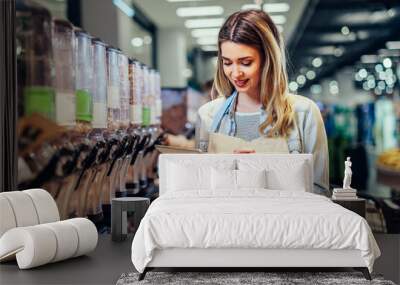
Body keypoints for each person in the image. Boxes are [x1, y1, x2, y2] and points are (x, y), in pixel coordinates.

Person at [195, 10, 329, 196]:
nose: (235, 73)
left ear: (268, 59)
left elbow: (318, 192)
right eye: (227, 63)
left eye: (246, 62)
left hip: (287, 222)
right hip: (226, 222)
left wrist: (262, 173)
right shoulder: (207, 116)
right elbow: (200, 190)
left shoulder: (303, 113)